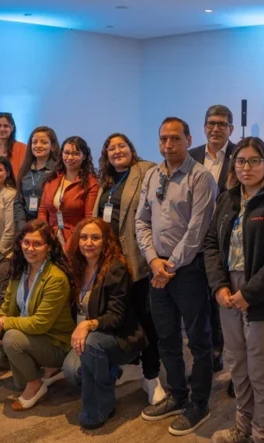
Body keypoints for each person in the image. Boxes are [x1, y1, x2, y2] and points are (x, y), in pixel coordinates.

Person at [203, 137, 264, 443]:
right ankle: (243, 428)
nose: (246, 167)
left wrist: (249, 294)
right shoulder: (227, 200)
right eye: (241, 161)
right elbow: (210, 245)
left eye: (254, 161)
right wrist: (218, 285)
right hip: (228, 294)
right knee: (239, 368)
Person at [135, 117, 218, 435]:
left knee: (198, 340)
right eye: (163, 139)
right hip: (159, 269)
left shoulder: (200, 178)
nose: (168, 145)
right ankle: (177, 395)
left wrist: (168, 268)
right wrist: (153, 260)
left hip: (188, 271)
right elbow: (141, 220)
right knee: (166, 336)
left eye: (175, 139)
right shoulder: (153, 174)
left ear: (188, 139)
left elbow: (197, 231)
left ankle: (200, 403)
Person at [93, 133, 164, 405]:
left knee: (147, 320)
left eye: (121, 145)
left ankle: (152, 376)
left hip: (137, 261)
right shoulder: (107, 181)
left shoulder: (145, 170)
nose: (116, 151)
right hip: (110, 264)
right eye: (111, 148)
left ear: (132, 149)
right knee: (122, 318)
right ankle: (130, 368)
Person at [0, 220, 76, 411]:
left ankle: (35, 384)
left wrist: (6, 323)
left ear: (49, 247)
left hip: (55, 342)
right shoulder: (20, 270)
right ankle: (44, 371)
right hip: (30, 335)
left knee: (11, 339)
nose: (30, 248)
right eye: (26, 242)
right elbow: (6, 307)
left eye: (37, 244)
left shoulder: (55, 278)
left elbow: (40, 324)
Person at [60, 218, 147, 430]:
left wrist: (87, 325)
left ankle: (98, 410)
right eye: (84, 237)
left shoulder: (116, 268)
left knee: (91, 347)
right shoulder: (76, 266)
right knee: (73, 371)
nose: (88, 242)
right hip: (88, 335)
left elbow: (116, 317)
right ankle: (110, 371)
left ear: (106, 241)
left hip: (119, 337)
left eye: (95, 238)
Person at [192, 104, 238, 384]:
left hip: (229, 238)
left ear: (230, 129)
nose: (216, 128)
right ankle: (209, 353)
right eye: (211, 123)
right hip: (196, 239)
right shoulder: (193, 156)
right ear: (204, 127)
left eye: (222, 124)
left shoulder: (240, 156)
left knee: (225, 300)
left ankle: (230, 361)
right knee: (202, 300)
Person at [38, 136, 99, 247]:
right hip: (51, 237)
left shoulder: (91, 183)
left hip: (77, 238)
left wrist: (71, 244)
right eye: (66, 153)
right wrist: (45, 234)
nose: (70, 157)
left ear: (84, 156)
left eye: (76, 153)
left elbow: (89, 219)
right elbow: (42, 211)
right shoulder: (52, 179)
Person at [15, 126, 60, 229]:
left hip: (49, 225)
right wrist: (22, 224)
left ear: (52, 146)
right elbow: (18, 201)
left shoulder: (58, 170)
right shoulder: (25, 169)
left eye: (44, 142)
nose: (38, 146)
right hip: (26, 224)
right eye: (34, 142)